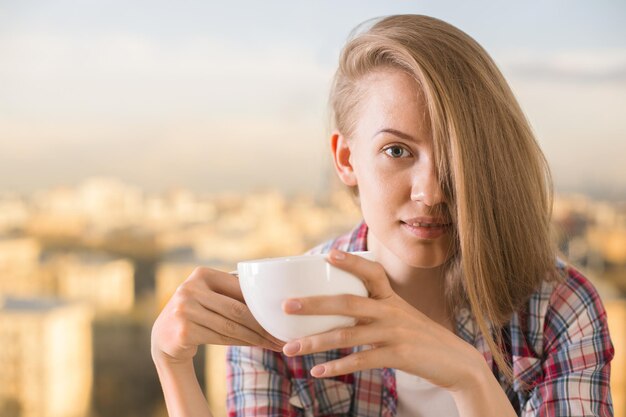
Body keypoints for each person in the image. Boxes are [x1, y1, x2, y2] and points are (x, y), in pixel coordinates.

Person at [151, 14, 615, 416]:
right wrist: (172, 368)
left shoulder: (558, 310)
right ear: (346, 159)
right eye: (397, 150)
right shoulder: (280, 313)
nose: (431, 192)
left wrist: (470, 379)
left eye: (460, 152)